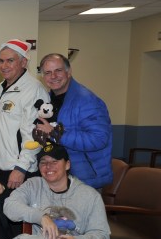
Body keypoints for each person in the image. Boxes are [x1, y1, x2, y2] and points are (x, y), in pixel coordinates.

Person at [4, 143, 111, 239]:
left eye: (54, 161)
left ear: (67, 165)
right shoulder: (33, 185)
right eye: (44, 162)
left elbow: (102, 234)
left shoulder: (89, 195)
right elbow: (9, 206)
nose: (48, 167)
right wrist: (40, 216)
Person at [37, 53, 113, 189]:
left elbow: (99, 139)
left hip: (85, 181)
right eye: (48, 72)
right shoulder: (48, 101)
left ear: (69, 72)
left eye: (58, 71)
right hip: (58, 177)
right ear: (43, 77)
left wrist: (55, 134)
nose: (53, 76)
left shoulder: (87, 100)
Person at [0, 39, 49, 191]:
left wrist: (21, 168)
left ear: (23, 63)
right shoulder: (1, 88)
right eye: (1, 61)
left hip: (18, 171)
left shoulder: (33, 90)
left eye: (10, 61)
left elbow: (36, 134)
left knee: (19, 214)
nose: (4, 66)